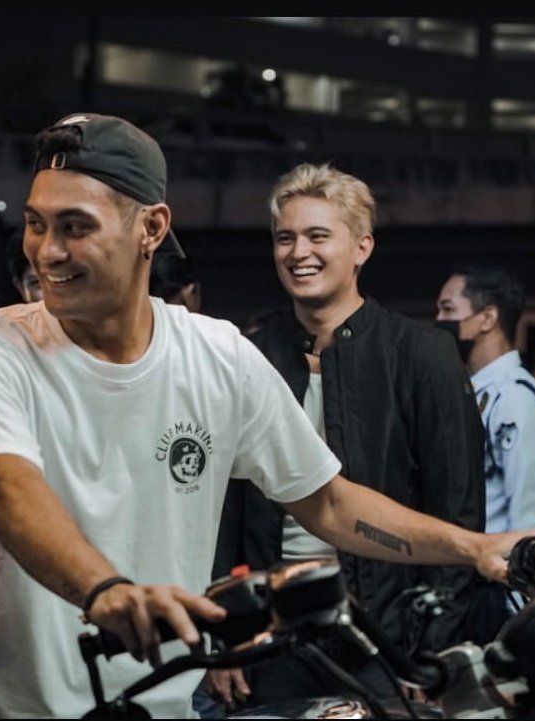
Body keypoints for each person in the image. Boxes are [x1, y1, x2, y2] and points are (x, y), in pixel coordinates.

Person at [0, 111, 535, 719]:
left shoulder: (218, 354)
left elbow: (327, 501)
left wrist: (476, 547)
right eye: (36, 224)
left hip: (160, 699)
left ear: (151, 228)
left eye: (75, 227)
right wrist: (104, 590)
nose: (46, 250)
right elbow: (6, 487)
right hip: (2, 704)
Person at [204, 163, 486, 713]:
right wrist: (226, 637)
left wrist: (428, 649)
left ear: (361, 247)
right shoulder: (248, 357)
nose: (298, 253)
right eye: (285, 238)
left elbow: (457, 509)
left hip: (386, 641)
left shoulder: (423, 356)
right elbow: (219, 512)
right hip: (271, 640)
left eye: (317, 236)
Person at [435, 261, 535, 642]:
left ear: (487, 318)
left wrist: (524, 611)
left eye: (448, 309)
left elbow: (529, 514)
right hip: (468, 579)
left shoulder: (516, 398)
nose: (439, 321)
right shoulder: (476, 391)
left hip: (499, 590)